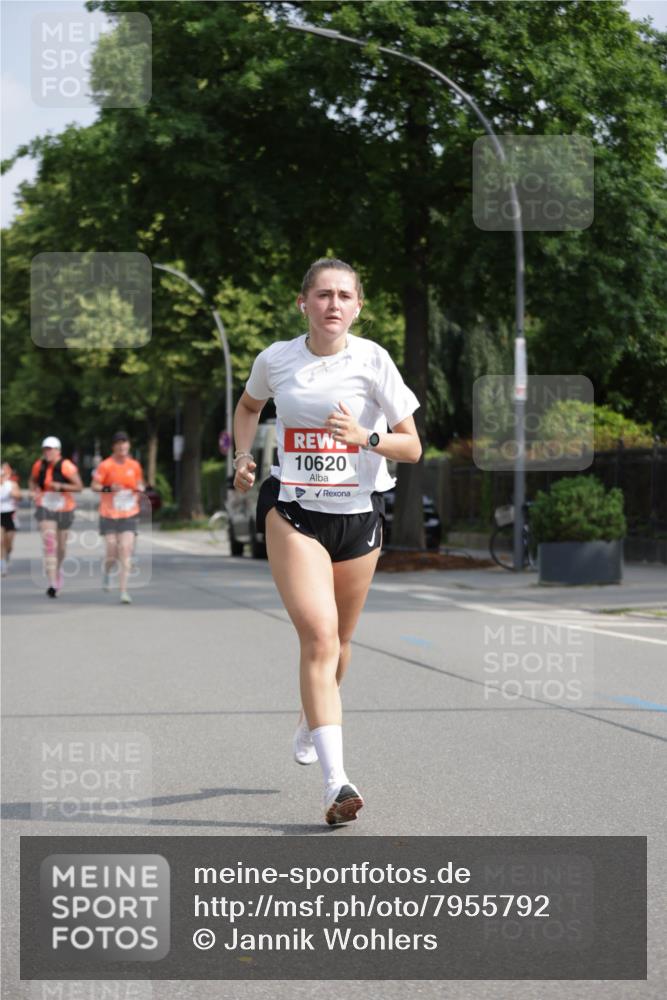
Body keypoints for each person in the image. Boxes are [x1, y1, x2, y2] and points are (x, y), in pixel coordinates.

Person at [232, 257, 421, 825]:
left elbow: (412, 447)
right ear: (303, 303)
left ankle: (312, 716)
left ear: (357, 306)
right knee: (318, 635)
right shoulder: (277, 359)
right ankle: (337, 783)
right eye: (322, 295)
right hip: (294, 509)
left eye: (344, 296)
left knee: (340, 644)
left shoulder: (373, 361)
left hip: (358, 515)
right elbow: (248, 407)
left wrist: (366, 436)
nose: (333, 304)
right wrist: (242, 456)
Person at [91, 431, 145, 605]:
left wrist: (140, 488)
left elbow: (139, 483)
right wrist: (108, 488)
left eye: (125, 443)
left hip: (129, 513)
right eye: (118, 443)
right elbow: (94, 486)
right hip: (109, 513)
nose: (122, 446)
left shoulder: (134, 465)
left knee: (126, 549)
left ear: (128, 445)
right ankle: (107, 572)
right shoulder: (106, 465)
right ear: (113, 446)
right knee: (112, 552)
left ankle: (124, 591)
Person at [30, 436, 83, 598]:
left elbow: (79, 486)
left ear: (58, 451)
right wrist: (34, 491)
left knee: (61, 547)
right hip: (45, 506)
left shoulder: (66, 466)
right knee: (49, 543)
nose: (47, 452)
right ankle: (52, 583)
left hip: (64, 508)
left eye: (50, 449)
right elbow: (32, 481)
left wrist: (61, 486)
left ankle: (57, 569)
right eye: (45, 449)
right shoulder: (39, 465)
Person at [1, 462, 22, 576]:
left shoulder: (11, 484)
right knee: (0, 541)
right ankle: (2, 565)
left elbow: (20, 497)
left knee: (8, 543)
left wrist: (15, 494)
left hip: (10, 515)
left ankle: (7, 554)